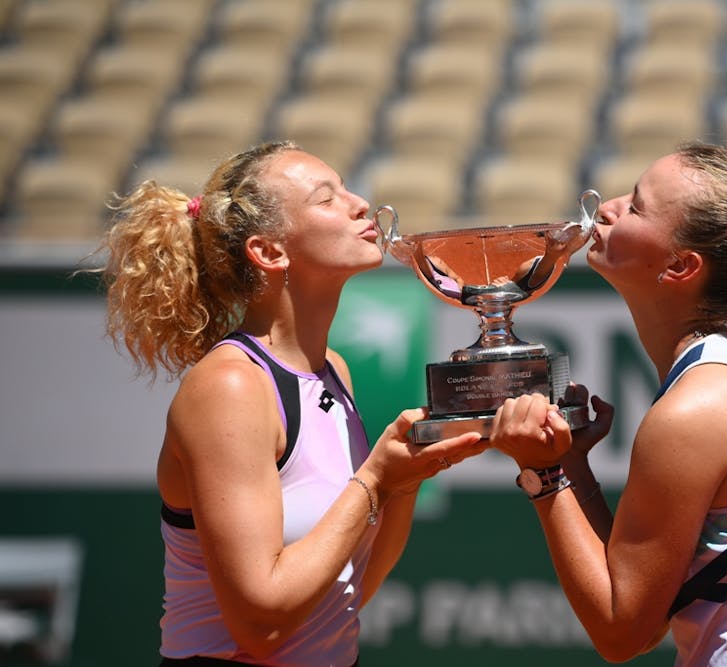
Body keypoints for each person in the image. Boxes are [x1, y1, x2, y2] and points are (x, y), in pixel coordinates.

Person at [100, 140, 487, 666]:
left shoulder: (334, 368)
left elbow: (348, 594)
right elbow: (262, 625)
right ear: (269, 252)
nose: (359, 204)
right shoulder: (231, 387)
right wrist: (373, 482)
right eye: (327, 199)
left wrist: (404, 483)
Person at [489, 142, 727, 666]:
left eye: (637, 207)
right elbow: (639, 614)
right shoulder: (720, 383)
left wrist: (542, 472)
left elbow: (622, 634)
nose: (608, 206)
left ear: (679, 266)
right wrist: (570, 465)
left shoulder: (697, 409)